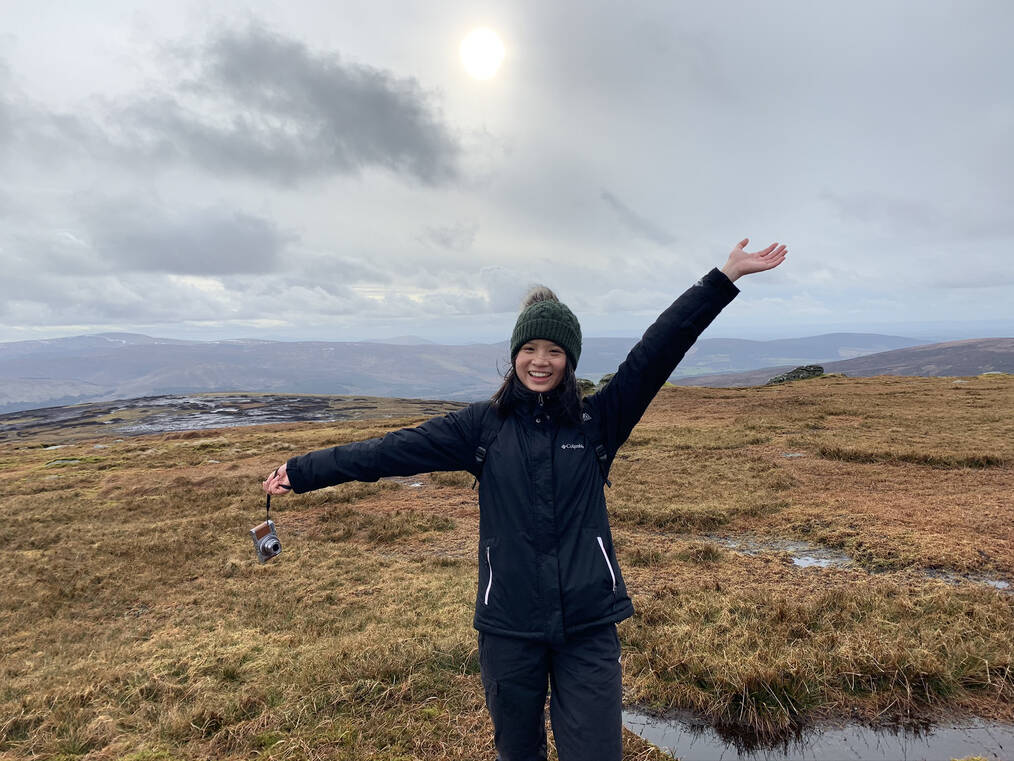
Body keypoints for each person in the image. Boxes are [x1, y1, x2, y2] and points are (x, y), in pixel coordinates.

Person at [264, 238, 787, 761]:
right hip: (509, 627)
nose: (541, 362)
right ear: (515, 353)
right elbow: (389, 451)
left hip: (588, 624)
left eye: (554, 351)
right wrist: (303, 471)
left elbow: (660, 348)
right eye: (530, 349)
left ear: (570, 359)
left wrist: (723, 278)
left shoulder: (598, 421)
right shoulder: (481, 427)